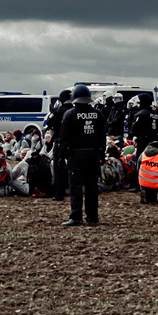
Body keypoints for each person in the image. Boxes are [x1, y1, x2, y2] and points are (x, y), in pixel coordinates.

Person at [52, 84, 106, 226]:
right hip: (93, 154)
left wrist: (61, 156)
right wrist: (101, 153)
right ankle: (93, 216)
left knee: (75, 186)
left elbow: (64, 138)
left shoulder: (70, 114)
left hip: (76, 155)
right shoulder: (98, 114)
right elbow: (102, 136)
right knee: (92, 186)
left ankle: (76, 216)